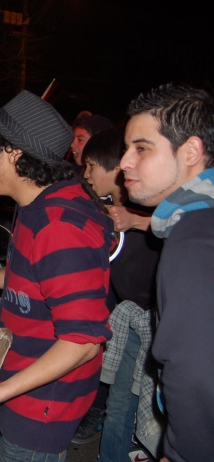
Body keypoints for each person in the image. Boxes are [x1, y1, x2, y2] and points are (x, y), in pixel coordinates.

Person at [0, 90, 115, 461]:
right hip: (27, 386)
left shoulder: (61, 226)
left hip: (43, 403)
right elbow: (38, 277)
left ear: (13, 153)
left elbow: (83, 343)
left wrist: (1, 392)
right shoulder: (36, 206)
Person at [120, 83, 214, 462]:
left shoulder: (194, 238)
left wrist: (180, 453)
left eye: (141, 148)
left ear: (190, 151)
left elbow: (197, 375)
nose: (125, 161)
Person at [81, 126, 164, 461]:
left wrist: (137, 220)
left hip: (161, 329)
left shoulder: (157, 209)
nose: (85, 174)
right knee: (118, 407)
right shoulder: (100, 212)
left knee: (154, 417)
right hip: (130, 324)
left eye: (91, 166)